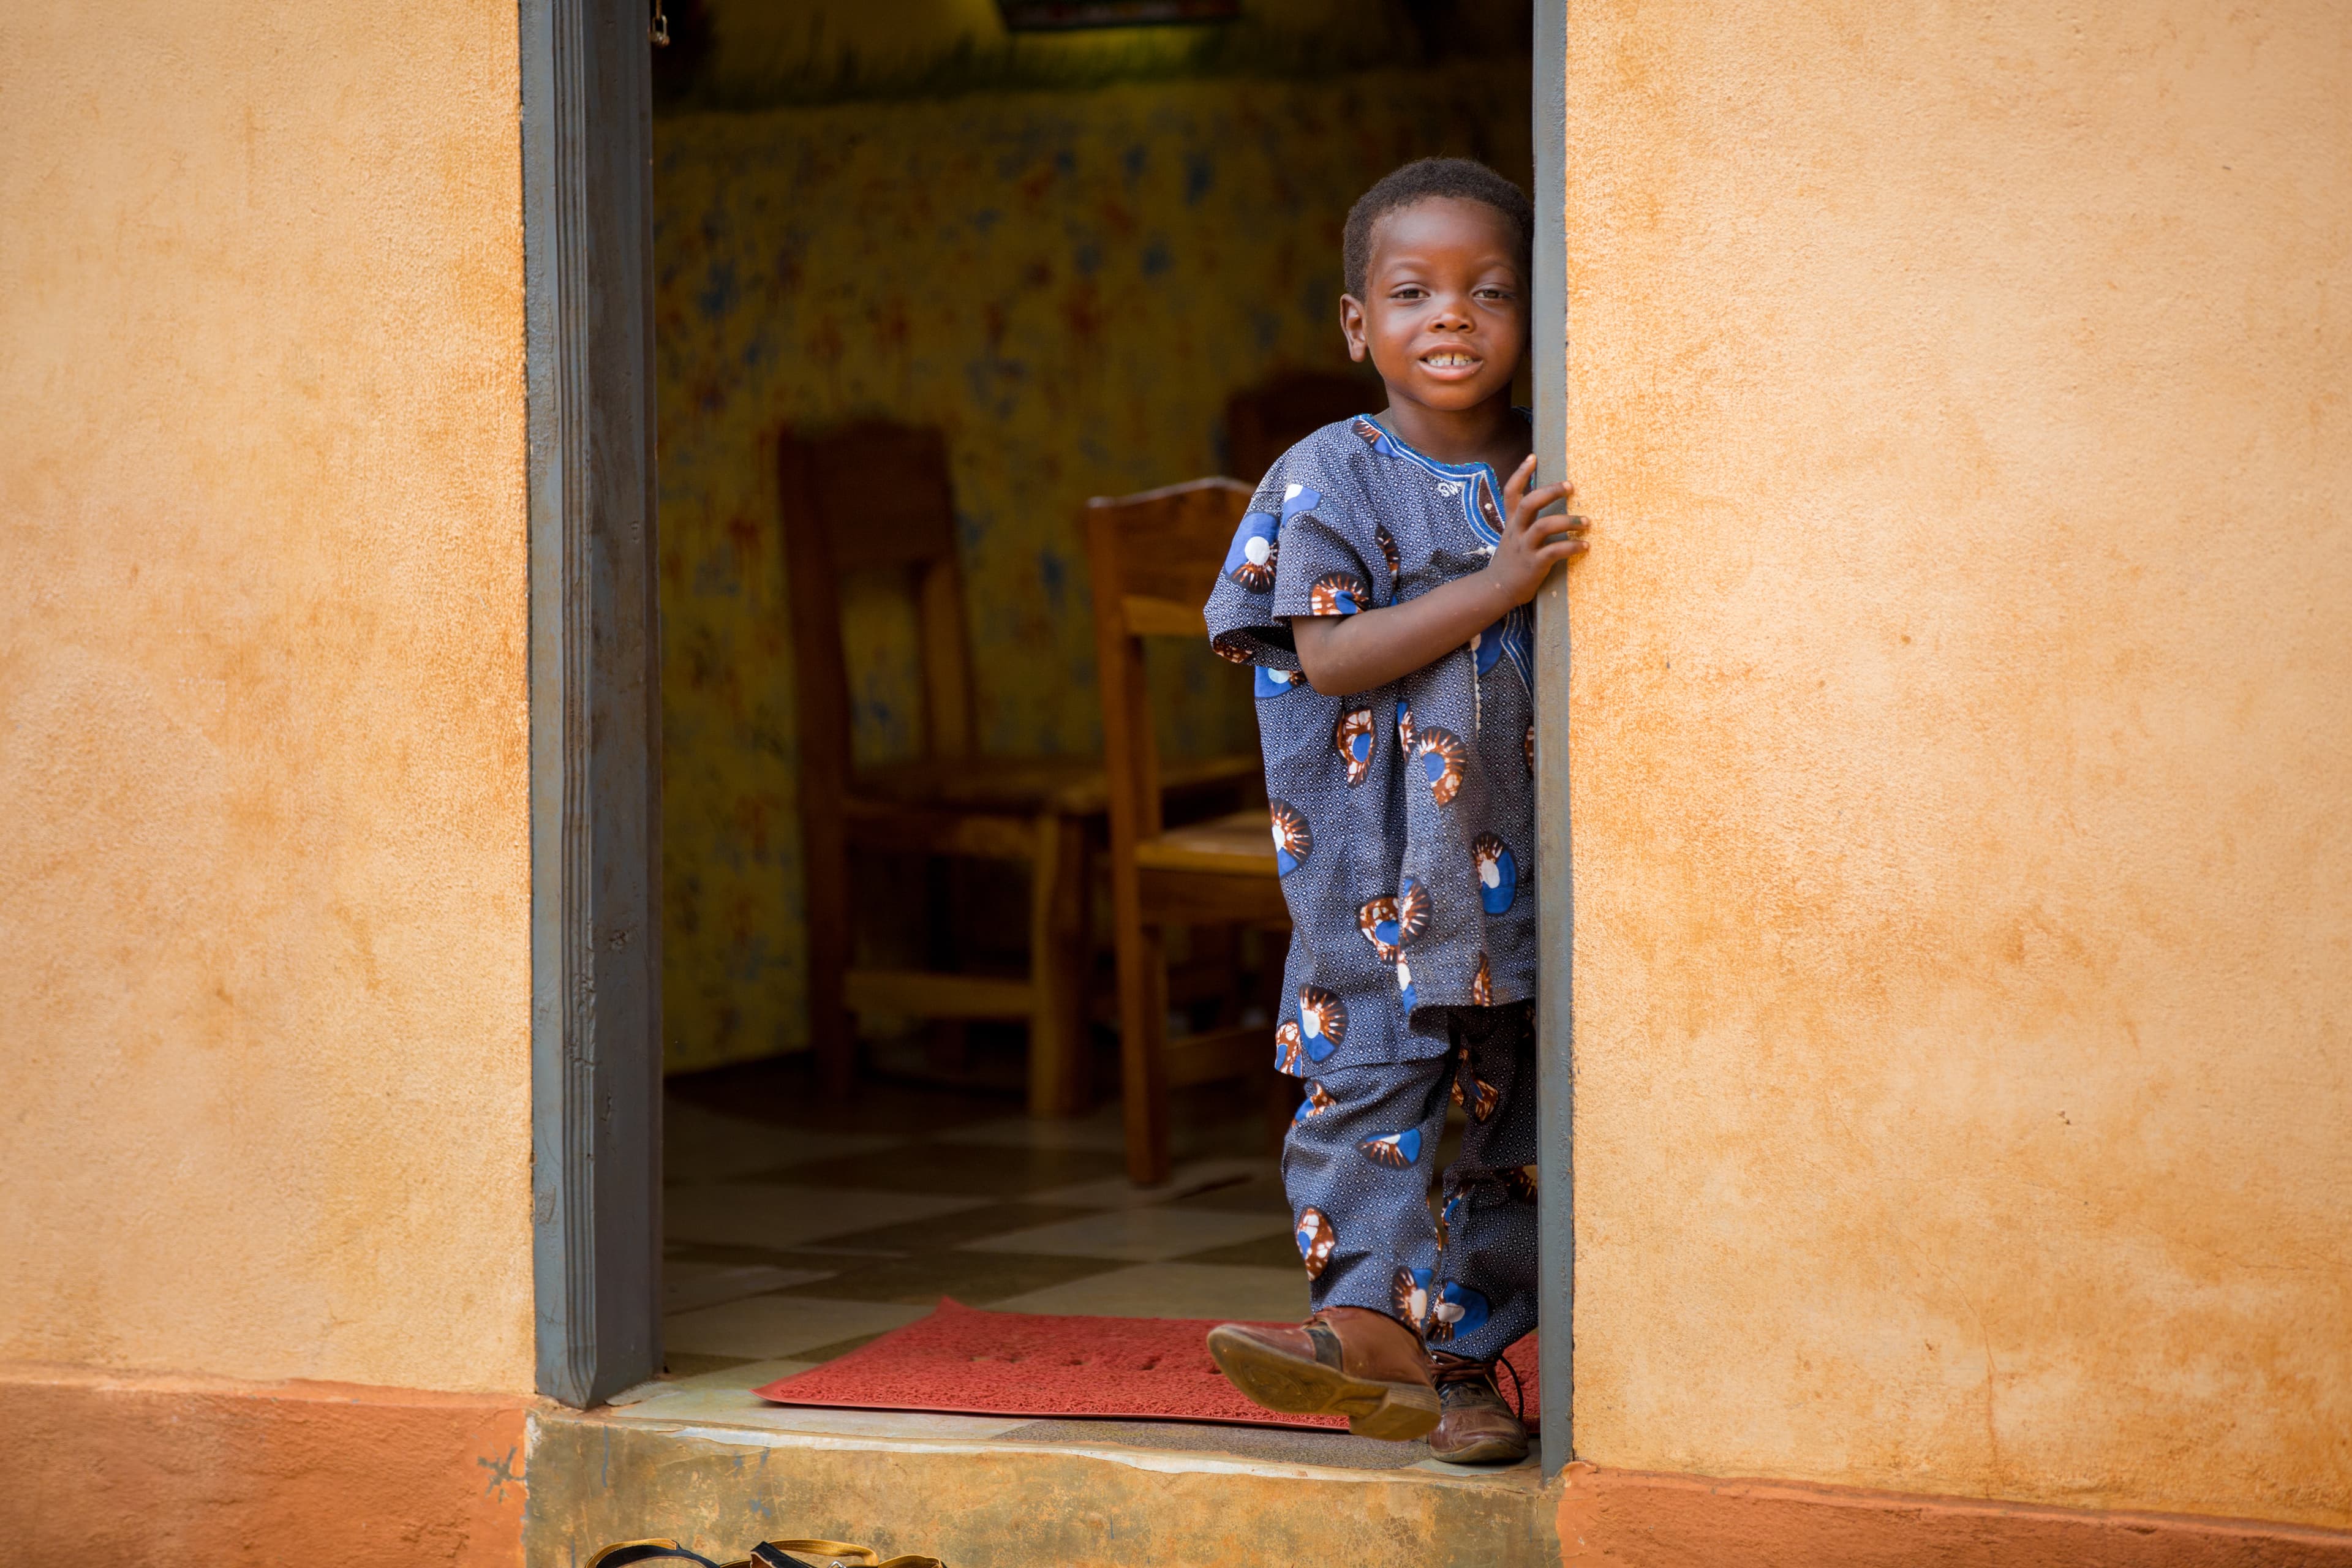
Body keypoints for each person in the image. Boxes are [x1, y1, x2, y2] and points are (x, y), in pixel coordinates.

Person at [1199, 157, 1589, 1464]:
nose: (1453, 316)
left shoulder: (1555, 459)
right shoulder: (1329, 477)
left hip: (1524, 888)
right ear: (1359, 325)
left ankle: (1466, 1372)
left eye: (1490, 289)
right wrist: (1500, 580)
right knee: (1369, 1093)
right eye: (1414, 291)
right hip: (1375, 881)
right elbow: (1328, 655)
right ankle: (1362, 1319)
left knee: (1509, 1134)